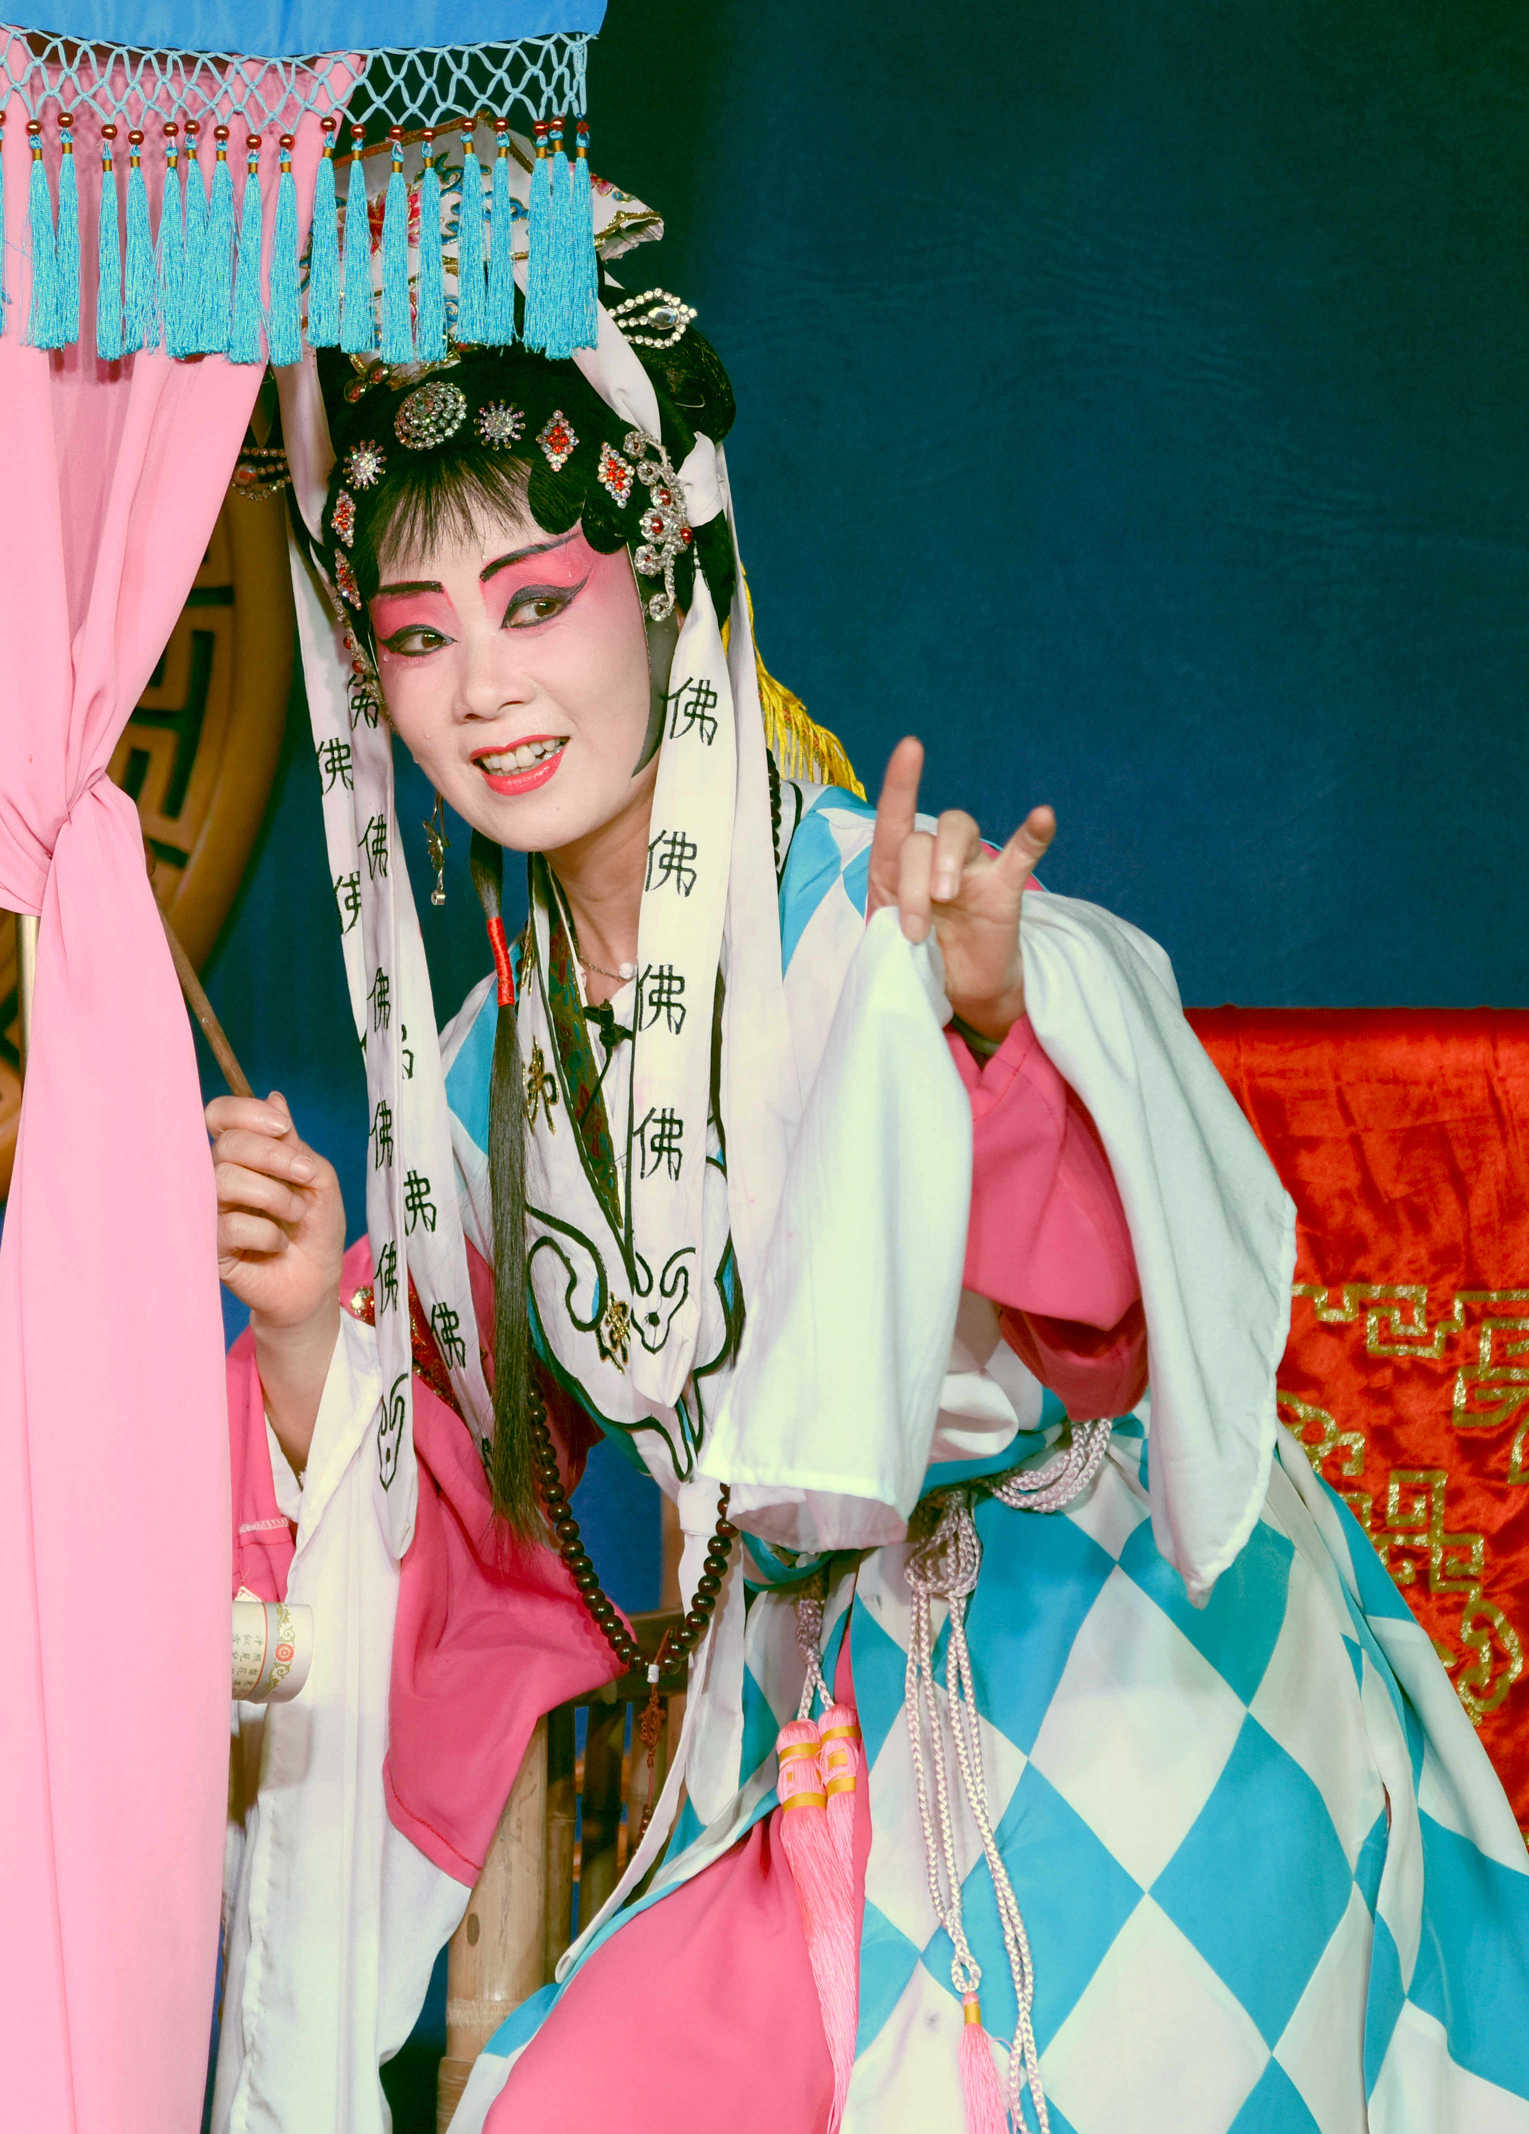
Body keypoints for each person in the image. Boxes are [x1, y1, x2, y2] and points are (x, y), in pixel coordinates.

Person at [206, 200, 1529, 2133]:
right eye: (415, 635)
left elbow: (1109, 1334)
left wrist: (989, 1032)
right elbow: (485, 1530)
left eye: (534, 601)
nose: (480, 687)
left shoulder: (883, 912)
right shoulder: (488, 1066)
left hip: (1130, 1689)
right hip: (801, 1730)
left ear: (663, 575)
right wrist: (308, 1326)